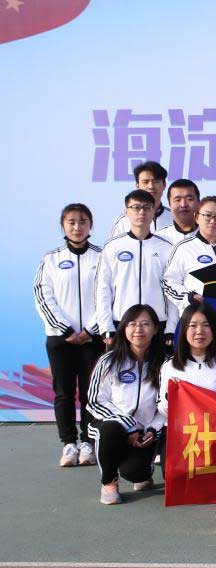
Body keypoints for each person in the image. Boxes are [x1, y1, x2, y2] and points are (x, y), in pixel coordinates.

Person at [35, 203, 104, 467]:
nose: (77, 227)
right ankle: (68, 443)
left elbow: (108, 295)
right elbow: (43, 295)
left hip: (92, 339)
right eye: (71, 222)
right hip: (60, 339)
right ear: (63, 226)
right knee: (63, 392)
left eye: (83, 221)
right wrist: (65, 329)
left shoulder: (101, 257)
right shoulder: (50, 259)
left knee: (89, 392)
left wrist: (90, 330)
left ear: (91, 225)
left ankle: (87, 442)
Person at [86, 304, 167, 505]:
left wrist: (152, 429)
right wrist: (128, 425)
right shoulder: (109, 361)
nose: (138, 329)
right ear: (124, 328)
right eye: (132, 324)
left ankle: (143, 470)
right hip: (112, 427)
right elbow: (95, 400)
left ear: (155, 329)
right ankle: (109, 483)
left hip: (144, 432)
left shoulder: (165, 363)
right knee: (111, 430)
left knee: (136, 473)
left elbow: (167, 405)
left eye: (145, 324)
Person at [96, 191, 175, 348]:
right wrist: (106, 326)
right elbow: (103, 288)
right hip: (121, 322)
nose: (141, 212)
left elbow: (172, 290)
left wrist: (171, 327)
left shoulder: (167, 247)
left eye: (147, 207)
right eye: (136, 207)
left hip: (157, 323)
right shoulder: (113, 247)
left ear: (153, 211)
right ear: (126, 212)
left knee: (157, 365)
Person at [162, 196, 216, 322]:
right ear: (197, 217)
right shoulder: (184, 248)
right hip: (196, 318)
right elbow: (168, 282)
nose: (213, 221)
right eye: (207, 215)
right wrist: (188, 297)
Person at [158, 301, 216, 413]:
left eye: (206, 325)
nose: (199, 331)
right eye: (193, 325)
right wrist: (169, 395)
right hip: (183, 424)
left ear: (214, 329)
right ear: (184, 330)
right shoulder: (170, 366)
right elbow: (163, 411)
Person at [107, 161, 172, 238]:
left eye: (156, 182)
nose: (151, 186)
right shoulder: (124, 220)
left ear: (164, 185)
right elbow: (113, 244)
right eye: (145, 182)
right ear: (137, 185)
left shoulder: (173, 218)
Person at [155, 179, 201, 243]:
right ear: (169, 204)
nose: (183, 205)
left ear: (199, 202)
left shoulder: (212, 235)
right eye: (177, 200)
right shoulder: (159, 238)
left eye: (189, 199)